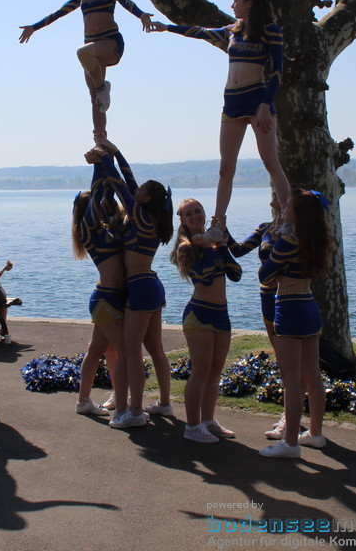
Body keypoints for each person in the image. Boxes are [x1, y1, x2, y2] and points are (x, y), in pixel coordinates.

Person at [148, 0, 290, 238]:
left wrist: (265, 105)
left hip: (257, 101)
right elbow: (200, 31)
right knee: (226, 168)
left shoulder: (271, 31)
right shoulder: (231, 31)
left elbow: (278, 72)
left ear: (249, 2)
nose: (232, 4)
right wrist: (166, 28)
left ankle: (288, 217)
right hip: (232, 103)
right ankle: (218, 223)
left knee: (271, 162)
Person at [19, 0, 152, 141]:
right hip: (90, 47)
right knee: (95, 99)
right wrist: (35, 27)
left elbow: (125, 2)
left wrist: (142, 15)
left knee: (83, 55)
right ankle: (100, 138)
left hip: (110, 43)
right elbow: (60, 11)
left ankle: (102, 88)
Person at [93, 138, 173, 429]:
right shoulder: (149, 215)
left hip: (139, 288)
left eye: (141, 191)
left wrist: (103, 159)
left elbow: (118, 182)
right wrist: (114, 151)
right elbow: (128, 180)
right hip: (151, 284)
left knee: (130, 352)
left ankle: (135, 412)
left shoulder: (139, 215)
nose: (136, 190)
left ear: (146, 198)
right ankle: (165, 403)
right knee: (156, 349)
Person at [257, 188, 335, 458]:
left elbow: (265, 275)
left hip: (289, 308)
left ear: (299, 214)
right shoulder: (315, 240)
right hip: (309, 305)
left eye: (288, 207)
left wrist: (267, 240)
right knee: (312, 375)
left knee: (291, 381)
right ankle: (315, 433)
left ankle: (290, 443)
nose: (283, 209)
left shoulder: (288, 241)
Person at [170, 198, 242, 443]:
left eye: (198, 211)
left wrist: (220, 243)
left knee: (215, 373)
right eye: (189, 214)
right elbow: (206, 276)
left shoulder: (212, 243)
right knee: (200, 372)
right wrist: (208, 242)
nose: (195, 216)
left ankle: (209, 421)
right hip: (199, 315)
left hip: (222, 315)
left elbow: (236, 274)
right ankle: (192, 426)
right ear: (182, 220)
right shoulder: (185, 248)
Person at [70, 151, 130, 417]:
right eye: (101, 204)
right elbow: (98, 195)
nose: (106, 204)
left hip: (116, 296)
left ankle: (113, 397)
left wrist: (110, 163)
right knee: (120, 351)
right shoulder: (89, 230)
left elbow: (113, 195)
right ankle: (113, 403)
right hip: (106, 298)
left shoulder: (109, 228)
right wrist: (98, 165)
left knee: (102, 350)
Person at [228, 191, 291, 439]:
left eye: (281, 189)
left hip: (287, 296)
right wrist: (223, 234)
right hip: (267, 296)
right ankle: (289, 415)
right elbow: (239, 250)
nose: (275, 192)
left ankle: (290, 418)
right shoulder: (265, 227)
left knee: (290, 360)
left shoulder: (294, 230)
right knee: (281, 356)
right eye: (273, 189)